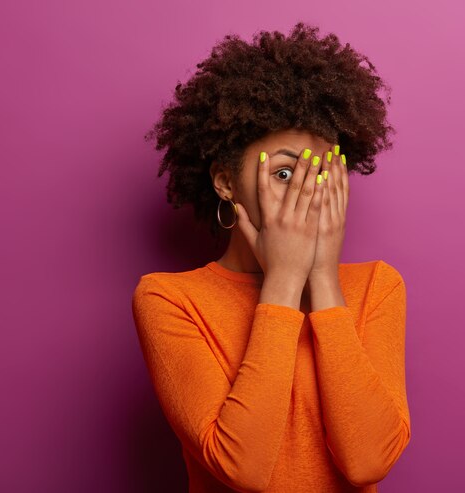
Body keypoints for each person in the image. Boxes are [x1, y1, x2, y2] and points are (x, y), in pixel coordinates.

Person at [132, 22, 411, 492]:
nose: (307, 194)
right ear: (225, 180)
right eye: (284, 173)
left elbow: (368, 463)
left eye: (320, 174)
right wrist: (283, 282)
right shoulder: (170, 299)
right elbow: (243, 468)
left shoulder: (378, 288)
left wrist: (321, 278)